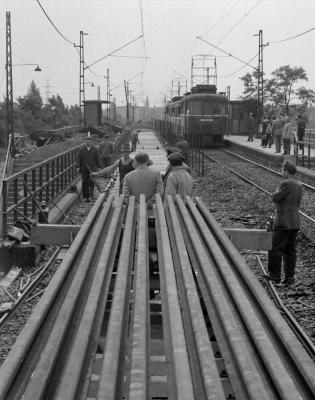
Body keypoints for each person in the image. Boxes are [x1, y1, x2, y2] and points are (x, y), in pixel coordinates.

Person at [264, 160, 303, 287]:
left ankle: (275, 276)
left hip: (284, 222)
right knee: (290, 251)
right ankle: (289, 278)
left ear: (286, 171)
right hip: (295, 222)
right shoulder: (299, 184)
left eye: (283, 170)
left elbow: (275, 197)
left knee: (275, 248)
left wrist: (275, 192)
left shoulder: (286, 183)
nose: (282, 173)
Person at [77, 134, 102, 202]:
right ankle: (86, 196)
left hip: (92, 168)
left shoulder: (95, 149)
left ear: (91, 142)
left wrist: (99, 167)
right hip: (84, 168)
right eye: (87, 141)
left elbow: (98, 158)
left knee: (91, 182)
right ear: (85, 142)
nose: (88, 142)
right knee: (84, 182)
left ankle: (91, 194)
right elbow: (78, 158)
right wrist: (78, 167)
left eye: (89, 141)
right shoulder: (81, 149)